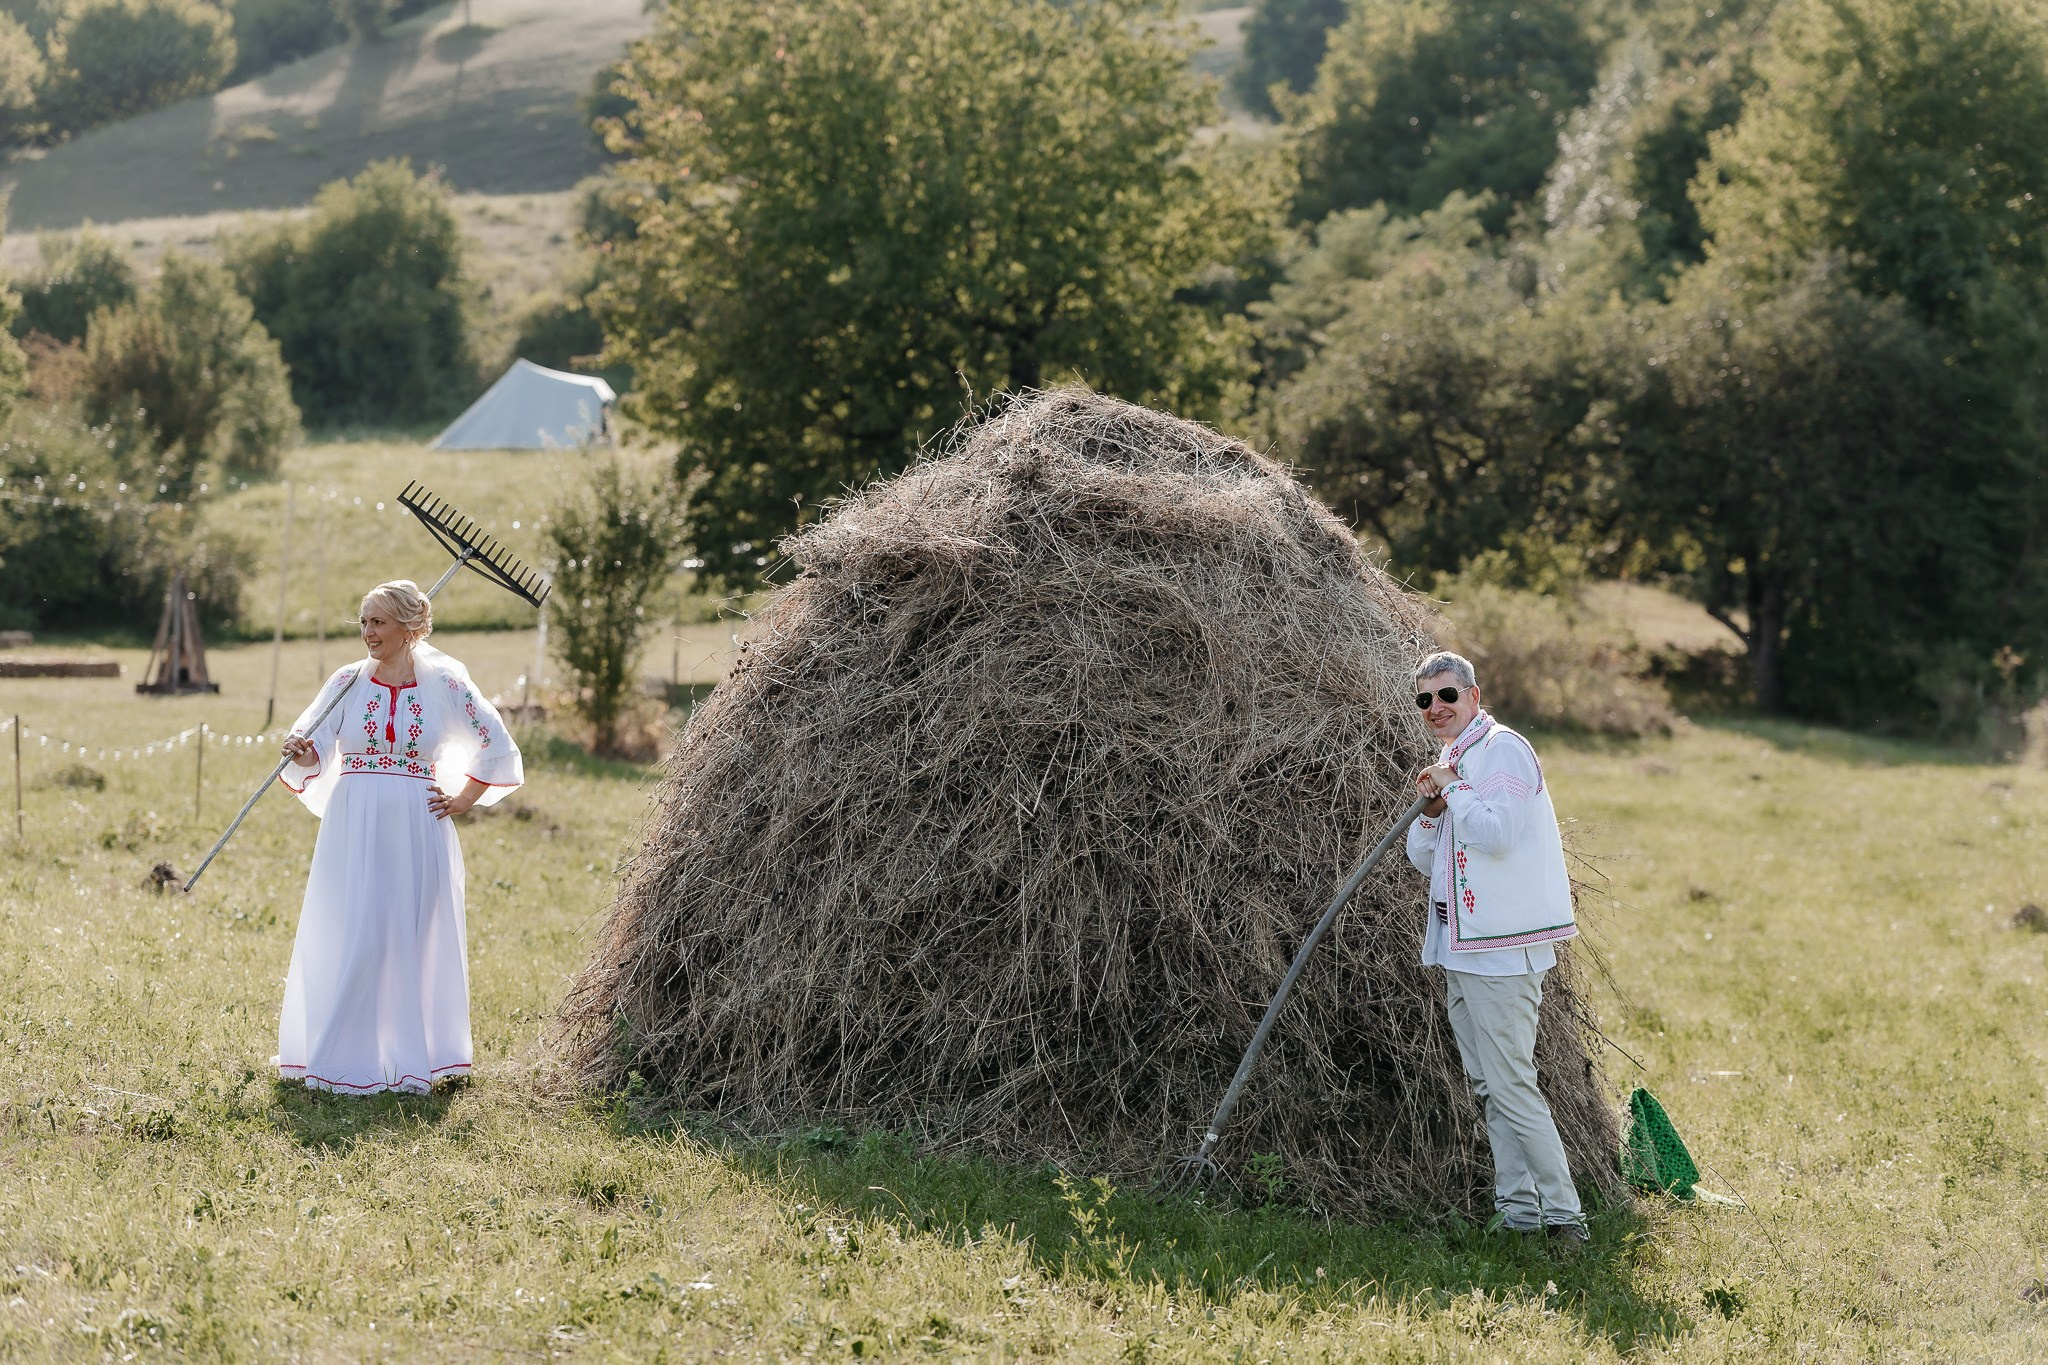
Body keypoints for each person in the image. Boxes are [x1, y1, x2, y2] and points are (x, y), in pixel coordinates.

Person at [274, 580, 522, 1095]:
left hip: (416, 825)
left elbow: (495, 744)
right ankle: (339, 1055)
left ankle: (410, 1058)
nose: (368, 632)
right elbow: (314, 746)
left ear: (411, 627)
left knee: (409, 932)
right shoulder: (345, 681)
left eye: (378, 622)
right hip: (353, 821)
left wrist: (463, 799)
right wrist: (299, 750)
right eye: (364, 621)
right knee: (355, 928)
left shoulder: (448, 686)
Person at [1403, 650, 1587, 1243]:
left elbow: (1499, 836)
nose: (1436, 708)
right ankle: (1520, 1213)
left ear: (1474, 697)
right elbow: (1423, 857)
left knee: (1512, 1082)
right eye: (1425, 699)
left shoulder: (1502, 750)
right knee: (1488, 1083)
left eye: (1447, 695)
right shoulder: (1455, 760)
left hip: (1503, 950)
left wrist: (1452, 789)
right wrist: (1432, 810)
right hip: (1462, 948)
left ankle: (1565, 1216)